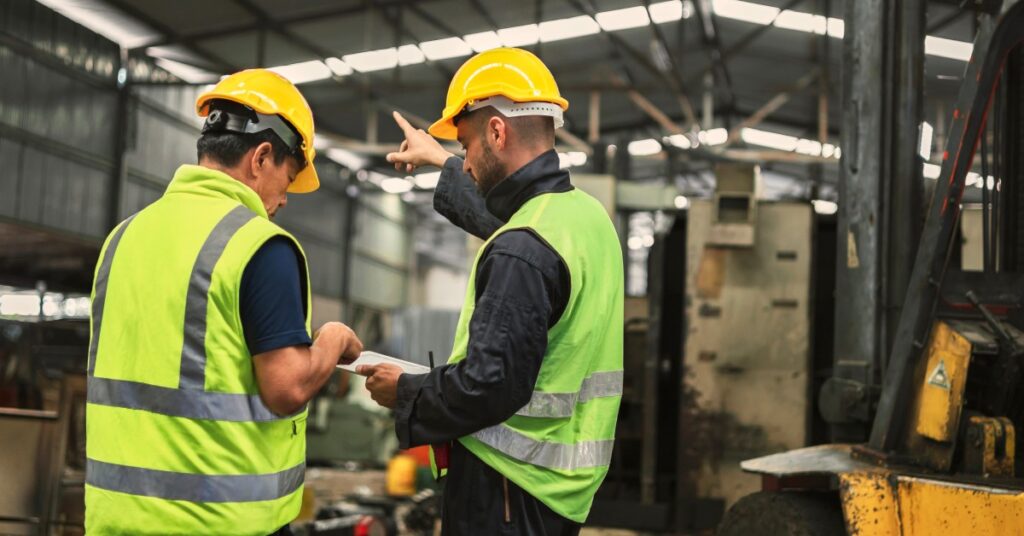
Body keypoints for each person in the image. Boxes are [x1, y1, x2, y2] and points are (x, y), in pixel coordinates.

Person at [84, 69, 363, 535]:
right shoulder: (259, 246)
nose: (285, 200)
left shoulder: (122, 238)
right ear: (262, 157)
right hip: (216, 521)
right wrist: (332, 339)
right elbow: (286, 388)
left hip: (117, 519)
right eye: (288, 179)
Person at [360, 48, 624, 535]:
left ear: (497, 132)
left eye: (465, 146)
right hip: (557, 493)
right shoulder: (583, 218)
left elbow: (488, 385)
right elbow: (516, 228)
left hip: (505, 491)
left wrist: (405, 391)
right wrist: (440, 161)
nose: (463, 164)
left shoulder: (521, 250)